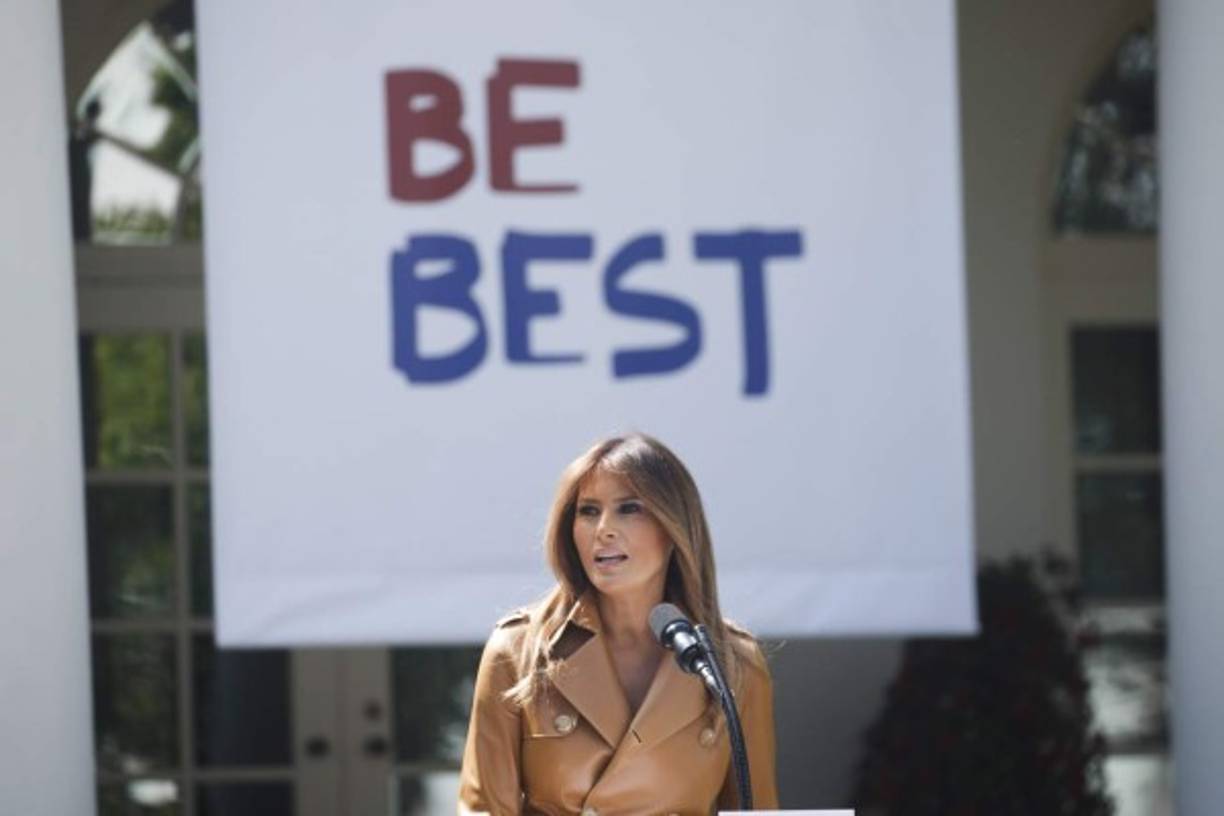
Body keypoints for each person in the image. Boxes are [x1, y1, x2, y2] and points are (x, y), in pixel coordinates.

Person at [457, 433, 778, 815]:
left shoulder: (732, 664)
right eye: (588, 511)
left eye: (629, 508)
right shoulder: (517, 650)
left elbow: (757, 810)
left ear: (675, 529)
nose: (603, 529)